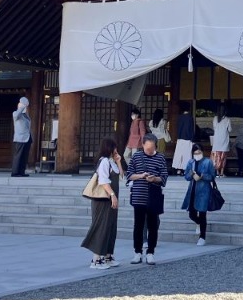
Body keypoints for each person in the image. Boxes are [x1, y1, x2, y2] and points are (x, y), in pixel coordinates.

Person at [81, 138, 123, 269]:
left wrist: (119, 161)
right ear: (109, 148)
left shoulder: (112, 161)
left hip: (110, 198)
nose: (116, 150)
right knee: (102, 227)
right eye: (114, 147)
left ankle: (108, 255)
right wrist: (112, 195)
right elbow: (103, 181)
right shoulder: (104, 161)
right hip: (103, 199)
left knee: (111, 227)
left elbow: (121, 175)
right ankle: (96, 259)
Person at [126, 133, 168, 265]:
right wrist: (141, 176)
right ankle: (137, 252)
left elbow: (164, 177)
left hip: (153, 196)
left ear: (155, 145)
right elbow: (129, 175)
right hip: (139, 195)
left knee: (153, 226)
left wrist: (154, 179)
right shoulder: (137, 156)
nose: (149, 151)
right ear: (143, 145)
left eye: (151, 148)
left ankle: (150, 252)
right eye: (147, 148)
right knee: (138, 226)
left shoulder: (160, 158)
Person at [183, 142, 216, 245]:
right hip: (193, 190)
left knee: (202, 213)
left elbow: (212, 176)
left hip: (204, 191)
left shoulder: (208, 162)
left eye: (199, 152)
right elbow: (187, 177)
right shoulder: (190, 162)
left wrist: (202, 176)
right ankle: (198, 223)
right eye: (195, 153)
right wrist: (191, 173)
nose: (197, 154)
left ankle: (202, 237)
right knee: (191, 213)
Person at [171, 102, 196, 174]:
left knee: (179, 154)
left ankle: (178, 169)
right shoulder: (190, 117)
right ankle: (186, 169)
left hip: (180, 138)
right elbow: (190, 129)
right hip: (187, 138)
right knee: (187, 155)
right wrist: (192, 138)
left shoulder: (179, 117)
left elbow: (178, 128)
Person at [10, 96, 32, 177]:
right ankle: (15, 172)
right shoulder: (16, 114)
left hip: (27, 138)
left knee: (24, 156)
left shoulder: (25, 116)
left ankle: (21, 171)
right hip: (20, 138)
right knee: (18, 156)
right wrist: (22, 106)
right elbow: (17, 114)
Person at [210, 103, 232, 177]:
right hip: (224, 141)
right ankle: (222, 173)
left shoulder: (215, 119)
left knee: (216, 157)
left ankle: (216, 172)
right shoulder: (227, 119)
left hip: (216, 141)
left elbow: (214, 128)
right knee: (223, 157)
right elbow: (230, 129)